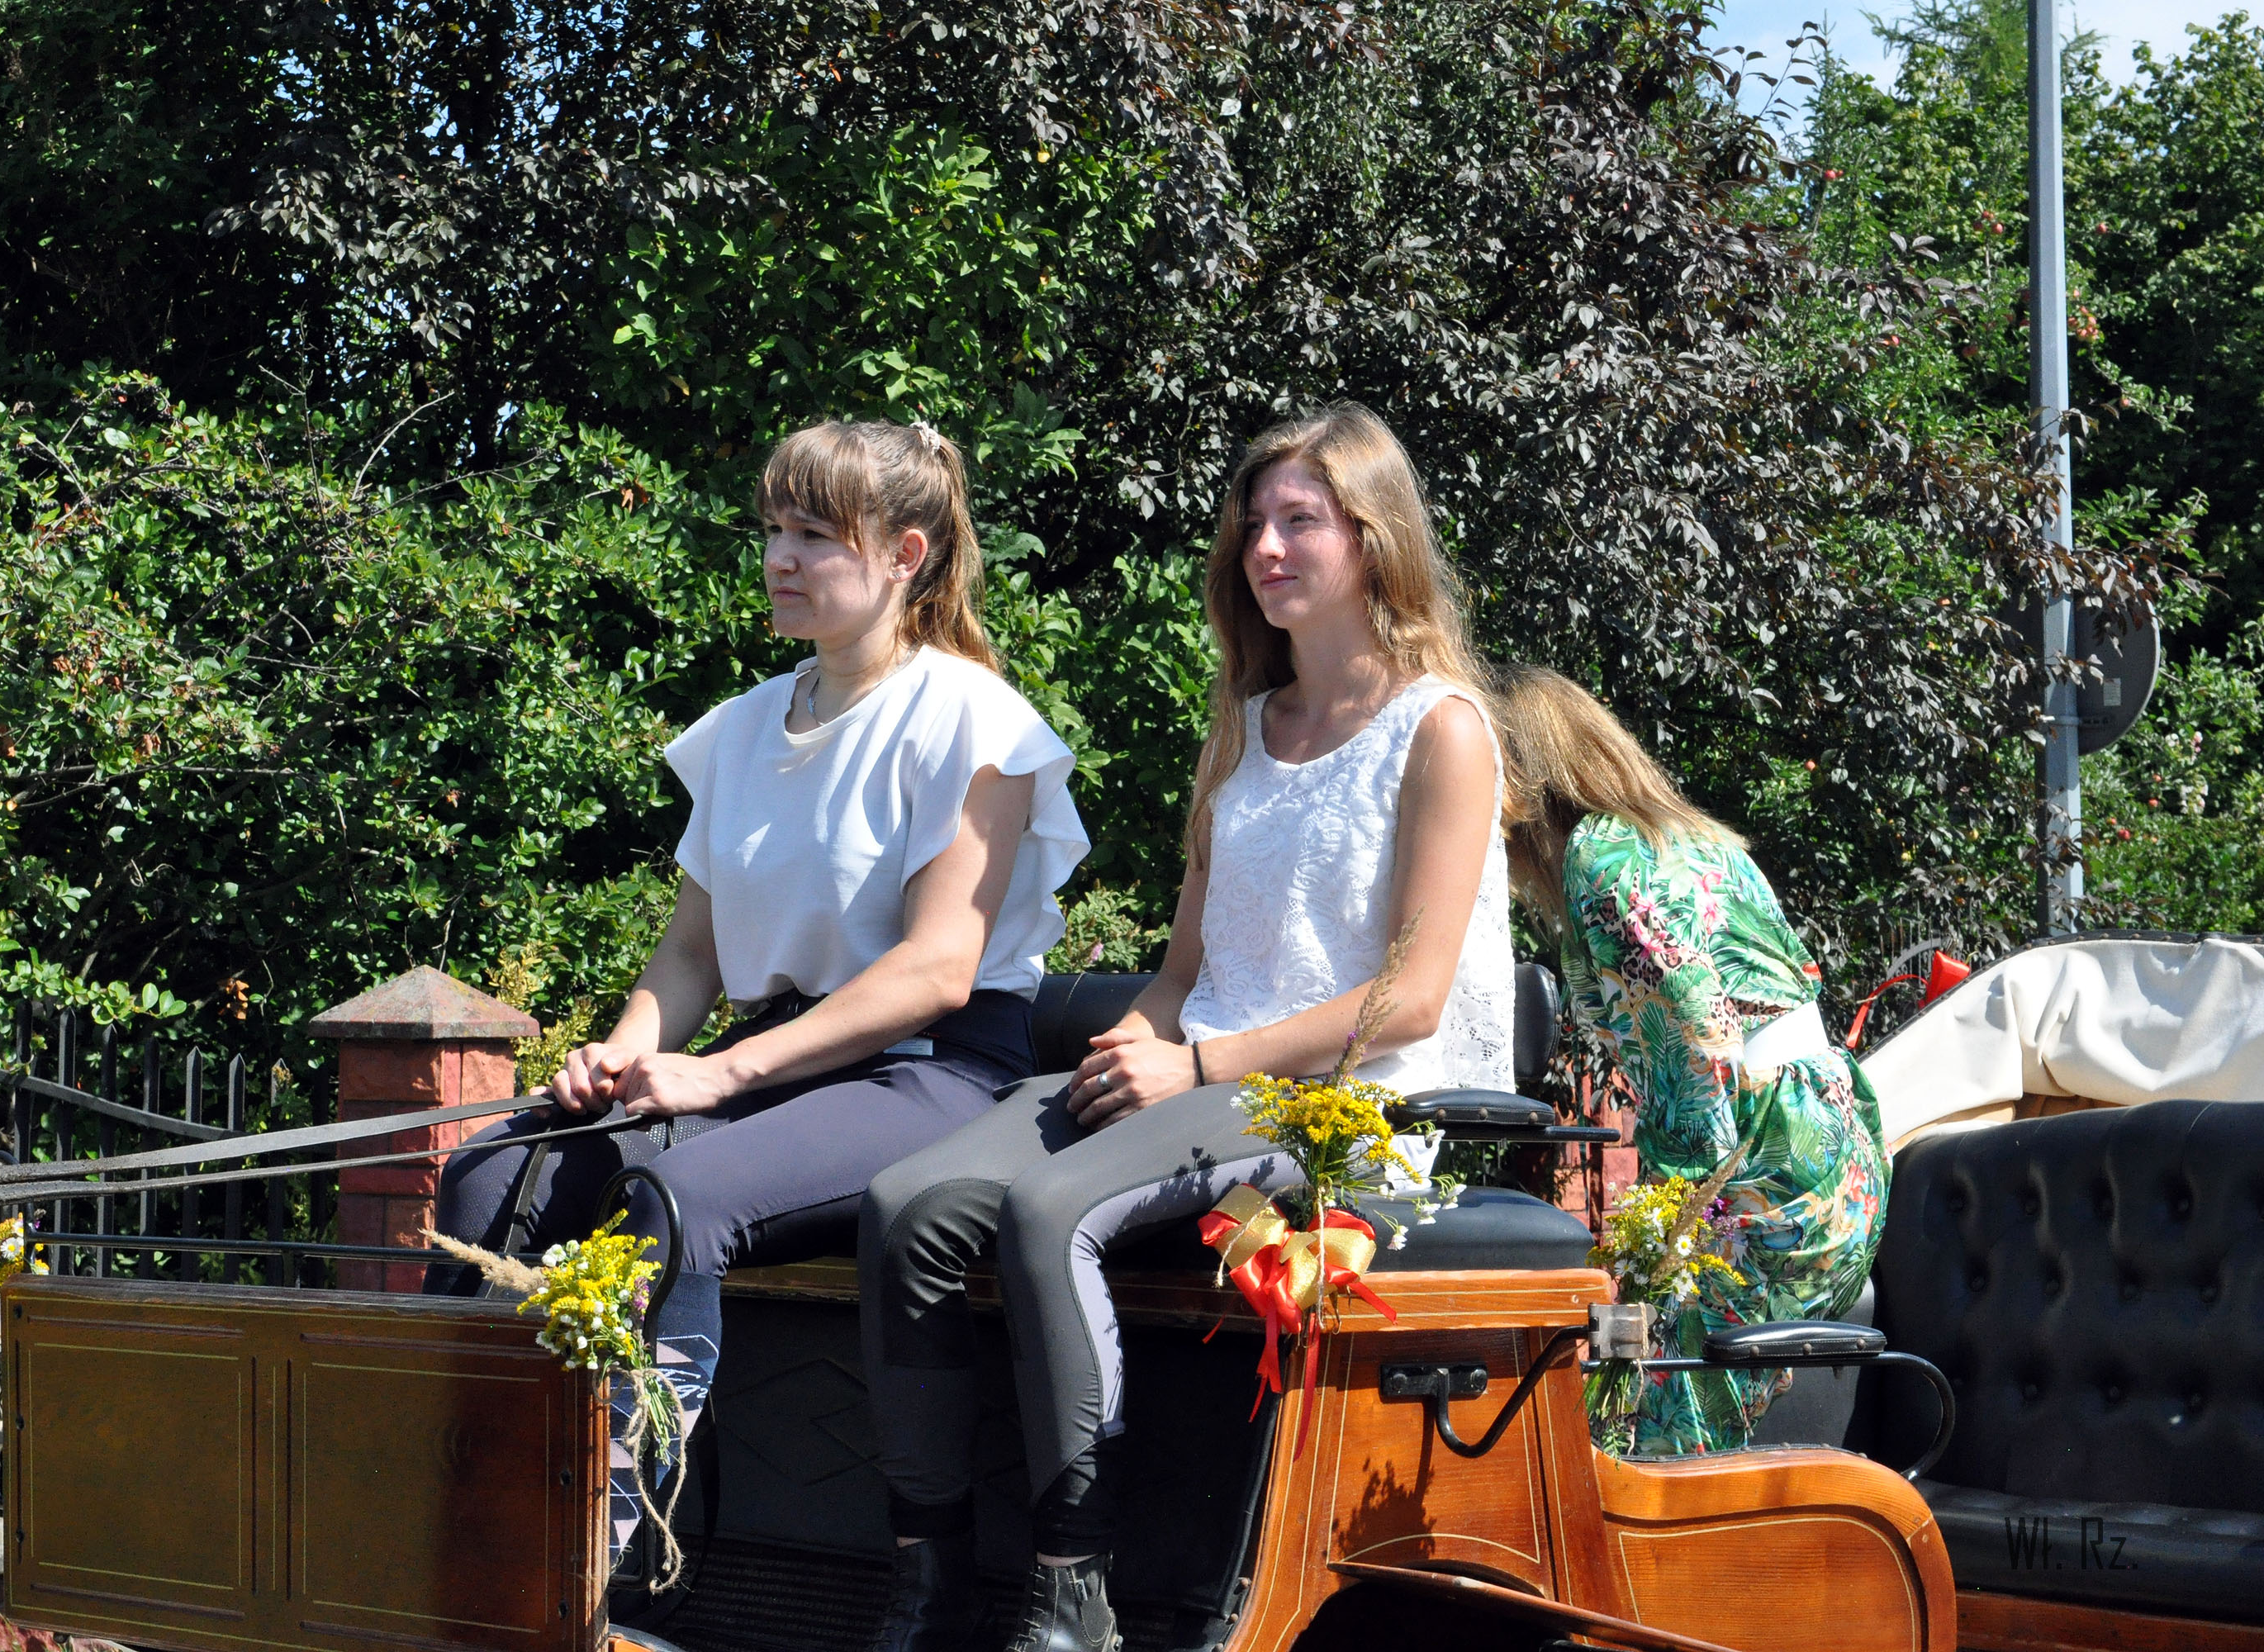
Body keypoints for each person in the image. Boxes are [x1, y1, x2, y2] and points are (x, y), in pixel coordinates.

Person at [857, 404, 1516, 1652]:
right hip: (1196, 1072)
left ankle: (1072, 1599)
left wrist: (1195, 1061)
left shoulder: (1442, 728)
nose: (1266, 546)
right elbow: (1185, 970)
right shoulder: (1247, 732)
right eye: (1254, 522)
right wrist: (1132, 1045)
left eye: (1301, 521)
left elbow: (1411, 997)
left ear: (1374, 538)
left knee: (1051, 1211)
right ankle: (926, 1584)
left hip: (1341, 1107)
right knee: (907, 1205)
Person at [426, 418, 1088, 1563]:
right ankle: (455, 1521)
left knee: (678, 1195)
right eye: (775, 529)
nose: (782, 557)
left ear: (906, 555)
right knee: (494, 1170)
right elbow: (691, 956)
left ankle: (622, 1549)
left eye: (816, 535)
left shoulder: (975, 720)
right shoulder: (740, 731)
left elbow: (939, 969)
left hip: (929, 1075)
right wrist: (623, 1052)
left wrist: (720, 1073)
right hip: (772, 1071)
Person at [1491, 663, 1889, 1456]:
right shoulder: (1687, 837)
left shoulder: (1601, 859)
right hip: (1829, 1140)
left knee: (1643, 1409)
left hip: (1758, 1161)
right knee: (1634, 1369)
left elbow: (1697, 1051)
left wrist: (1666, 1229)